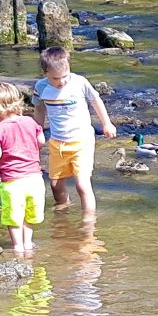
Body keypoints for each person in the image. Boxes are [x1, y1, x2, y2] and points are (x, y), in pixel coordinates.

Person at [33, 47, 117, 217]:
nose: (62, 81)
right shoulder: (41, 87)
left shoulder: (79, 82)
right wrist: (36, 132)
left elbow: (96, 101)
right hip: (57, 143)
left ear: (69, 67)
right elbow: (39, 110)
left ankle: (88, 221)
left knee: (82, 184)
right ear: (45, 72)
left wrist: (107, 123)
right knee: (55, 184)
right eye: (55, 78)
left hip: (82, 141)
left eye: (65, 76)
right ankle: (62, 208)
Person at [0, 82, 45, 255]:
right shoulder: (30, 121)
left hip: (12, 181)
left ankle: (17, 246)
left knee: (14, 215)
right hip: (34, 178)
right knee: (30, 213)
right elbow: (41, 142)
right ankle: (28, 243)